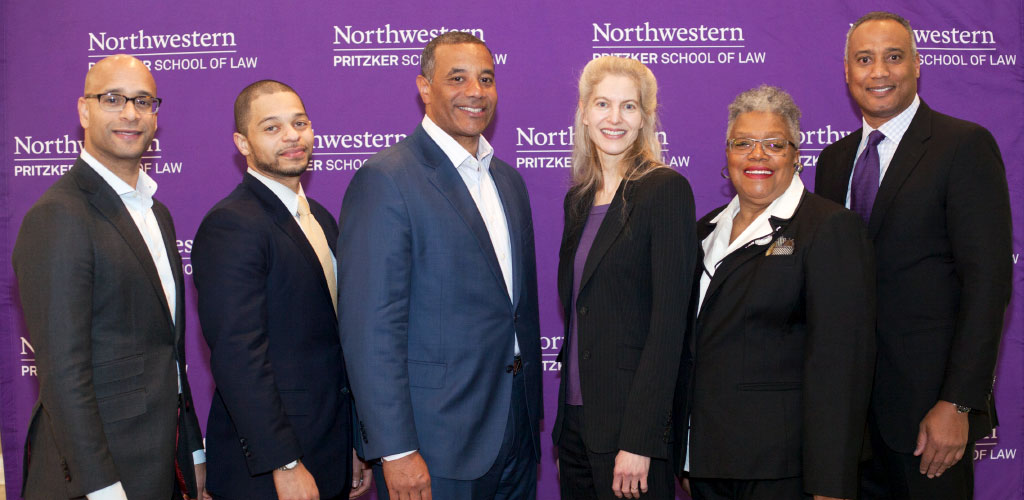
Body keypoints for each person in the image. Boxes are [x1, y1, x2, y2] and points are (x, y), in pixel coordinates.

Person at [815, 11, 1012, 499]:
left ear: (917, 65)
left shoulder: (962, 145)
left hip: (929, 418)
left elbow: (987, 285)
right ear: (846, 72)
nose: (878, 71)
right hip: (848, 422)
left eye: (893, 57)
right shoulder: (834, 161)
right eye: (864, 59)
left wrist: (958, 403)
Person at [337, 31, 542, 500]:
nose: (476, 91)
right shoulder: (386, 180)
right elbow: (371, 329)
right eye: (457, 78)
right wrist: (395, 449)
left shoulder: (508, 181)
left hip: (517, 429)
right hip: (435, 445)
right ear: (424, 88)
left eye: (486, 79)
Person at [12, 54, 207, 500]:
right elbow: (63, 372)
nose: (130, 114)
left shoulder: (158, 213)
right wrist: (100, 487)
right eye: (113, 99)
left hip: (160, 463)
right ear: (84, 110)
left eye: (143, 101)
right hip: (95, 477)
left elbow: (168, 353)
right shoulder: (58, 215)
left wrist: (191, 451)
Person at [679, 85, 875, 500]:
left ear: (796, 155)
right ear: (727, 153)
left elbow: (841, 363)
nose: (757, 155)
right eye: (743, 143)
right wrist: (687, 453)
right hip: (708, 463)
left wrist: (831, 483)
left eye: (774, 144)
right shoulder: (703, 230)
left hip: (783, 470)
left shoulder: (828, 228)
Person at [191, 80, 372, 500]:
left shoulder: (322, 219)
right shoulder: (232, 224)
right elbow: (239, 356)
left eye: (300, 123)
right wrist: (284, 463)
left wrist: (352, 441)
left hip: (328, 447)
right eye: (272, 127)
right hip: (268, 470)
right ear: (243, 142)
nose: (292, 136)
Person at [551, 56, 696, 500]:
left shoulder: (665, 190)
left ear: (646, 117)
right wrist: (564, 430)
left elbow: (669, 328)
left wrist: (641, 439)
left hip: (631, 436)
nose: (614, 118)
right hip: (575, 427)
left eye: (629, 107)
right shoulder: (579, 200)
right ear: (583, 112)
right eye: (602, 104)